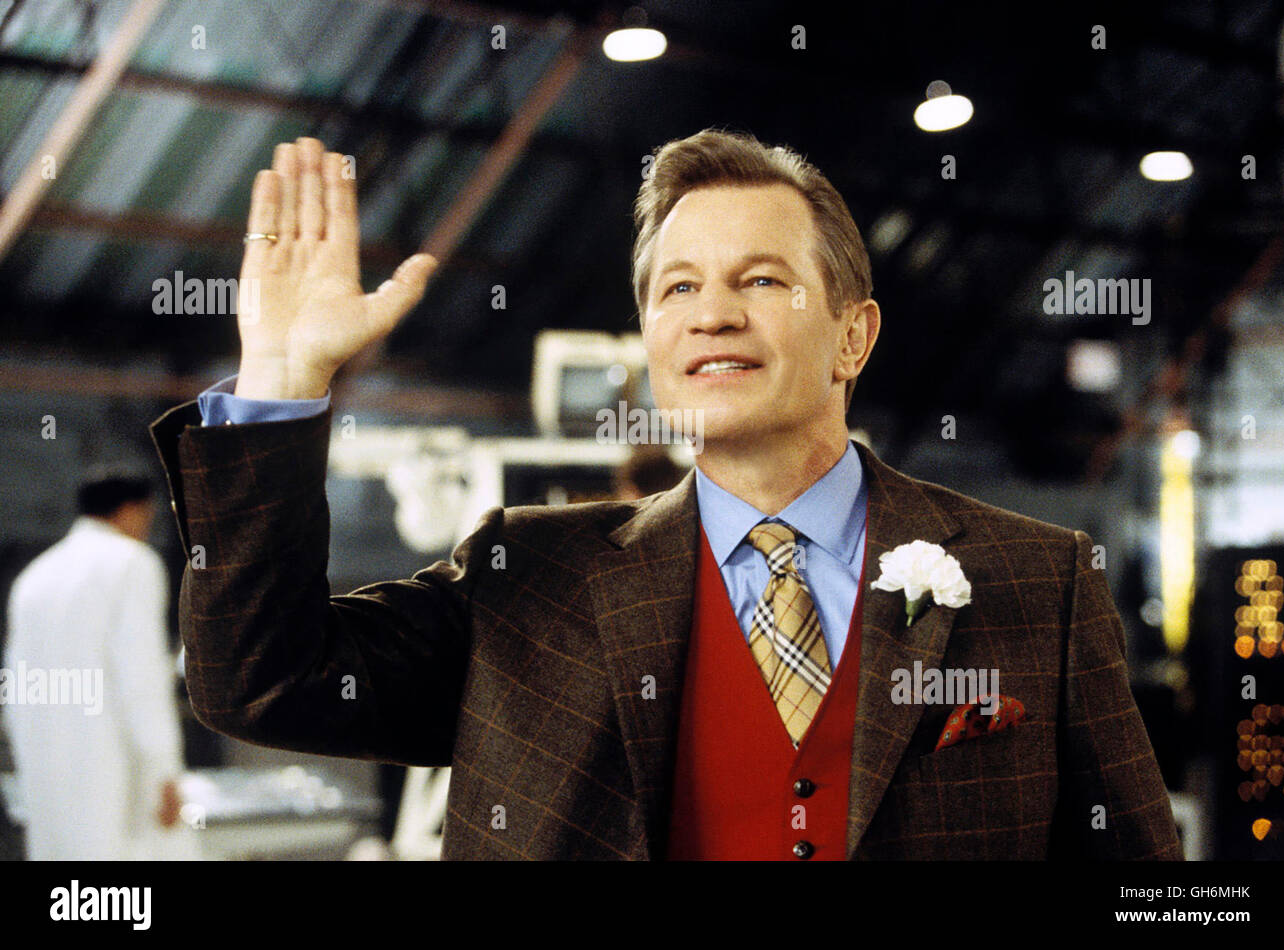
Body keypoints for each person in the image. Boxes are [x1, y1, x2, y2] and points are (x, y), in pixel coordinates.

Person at [148, 132, 1182, 860]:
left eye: (763, 280)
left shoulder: (1033, 579)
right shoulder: (526, 576)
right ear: (649, 341)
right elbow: (260, 682)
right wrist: (284, 382)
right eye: (678, 287)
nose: (712, 315)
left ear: (853, 335)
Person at [4, 469, 196, 860]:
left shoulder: (34, 577)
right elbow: (141, 678)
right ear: (131, 511)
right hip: (113, 769)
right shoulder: (131, 564)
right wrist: (164, 772)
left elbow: (14, 686)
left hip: (44, 768)